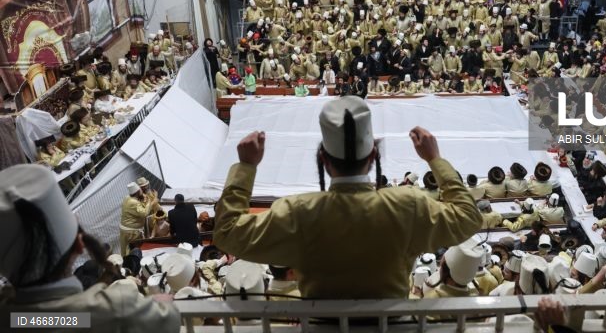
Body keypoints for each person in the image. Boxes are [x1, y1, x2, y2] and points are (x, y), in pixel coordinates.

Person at [214, 96, 483, 298]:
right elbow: (469, 218)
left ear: (323, 159)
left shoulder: (297, 212)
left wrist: (245, 167)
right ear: (374, 155)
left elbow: (226, 232)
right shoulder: (408, 204)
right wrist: (435, 159)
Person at [0, 165, 180, 331]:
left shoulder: (16, 318)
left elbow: (45, 320)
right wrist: (163, 304)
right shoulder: (110, 311)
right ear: (80, 245)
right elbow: (169, 320)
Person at [119, 181, 156, 256]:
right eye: (141, 189)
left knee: (125, 249)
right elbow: (144, 213)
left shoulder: (127, 197)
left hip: (124, 230)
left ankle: (124, 260)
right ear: (137, 192)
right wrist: (151, 202)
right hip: (132, 233)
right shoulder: (134, 202)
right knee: (134, 251)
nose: (143, 190)